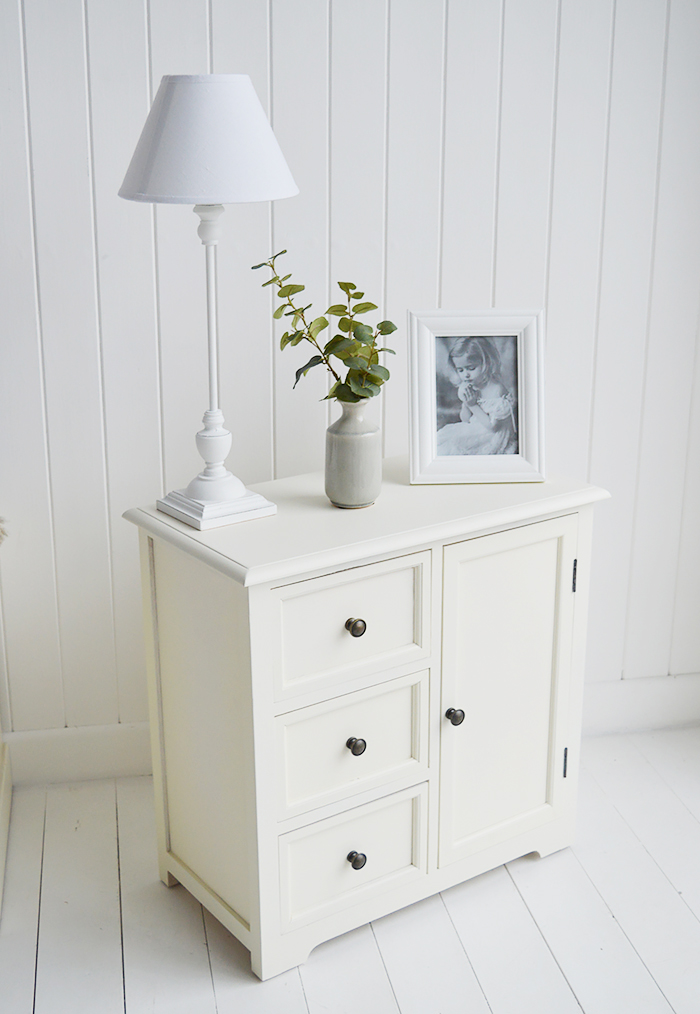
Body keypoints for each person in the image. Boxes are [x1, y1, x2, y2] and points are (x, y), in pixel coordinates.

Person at [437, 336, 517, 455]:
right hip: (476, 428)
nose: (466, 375)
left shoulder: (497, 389)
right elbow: (466, 420)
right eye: (460, 370)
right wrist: (466, 404)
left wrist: (473, 405)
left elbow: (493, 427)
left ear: (486, 363)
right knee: (442, 439)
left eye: (471, 368)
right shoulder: (468, 385)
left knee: (455, 445)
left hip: (493, 435)